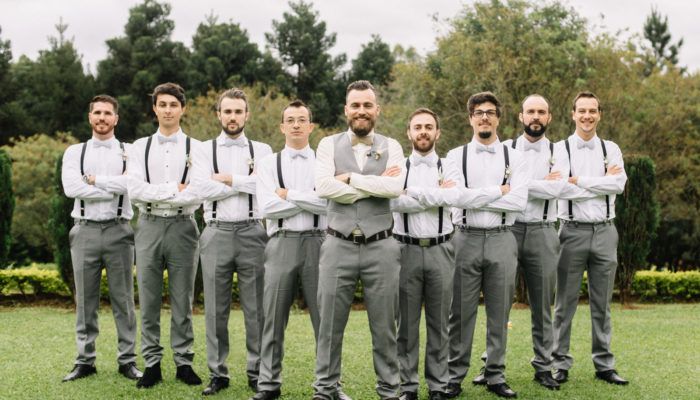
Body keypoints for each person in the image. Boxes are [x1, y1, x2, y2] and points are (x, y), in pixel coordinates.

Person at [392, 108, 501, 400]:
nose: (423, 131)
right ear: (409, 132)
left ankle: (439, 385)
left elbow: (455, 197)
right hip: (405, 249)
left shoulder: (449, 165)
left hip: (442, 249)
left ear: (438, 133)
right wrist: (431, 194)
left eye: (429, 126)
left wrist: (411, 192)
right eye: (418, 127)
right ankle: (408, 387)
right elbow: (391, 201)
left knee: (440, 323)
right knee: (406, 324)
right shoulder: (398, 166)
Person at [313, 80, 405, 400]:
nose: (361, 111)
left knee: (384, 327)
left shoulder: (392, 145)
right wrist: (374, 184)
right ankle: (325, 390)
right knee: (329, 326)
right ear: (346, 110)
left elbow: (395, 189)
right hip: (337, 244)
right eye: (356, 105)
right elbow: (324, 187)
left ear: (377, 110)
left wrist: (351, 178)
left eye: (368, 105)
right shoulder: (327, 144)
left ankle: (389, 391)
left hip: (382, 245)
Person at [445, 92, 528, 399]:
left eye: (490, 112)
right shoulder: (454, 156)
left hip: (502, 239)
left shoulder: (516, 158)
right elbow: (456, 197)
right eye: (478, 112)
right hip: (464, 237)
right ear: (470, 118)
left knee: (499, 311)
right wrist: (498, 192)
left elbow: (518, 202)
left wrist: (477, 196)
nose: (484, 117)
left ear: (498, 117)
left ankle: (495, 374)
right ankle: (454, 376)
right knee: (460, 312)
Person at [189, 88, 272, 396]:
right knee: (214, 308)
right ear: (218, 114)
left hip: (253, 231)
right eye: (228, 111)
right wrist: (242, 183)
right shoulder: (203, 149)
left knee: (256, 309)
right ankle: (218, 373)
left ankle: (257, 372)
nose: (233, 117)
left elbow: (264, 188)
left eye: (238, 111)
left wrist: (227, 179)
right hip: (216, 232)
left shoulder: (262, 150)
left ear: (246, 115)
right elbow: (199, 189)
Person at [250, 100, 327, 400]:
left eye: (302, 119)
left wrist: (289, 195)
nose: (296, 124)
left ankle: (328, 385)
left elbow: (329, 204)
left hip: (319, 242)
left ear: (311, 126)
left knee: (325, 319)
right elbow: (267, 207)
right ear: (282, 126)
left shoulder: (324, 162)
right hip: (280, 242)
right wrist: (308, 198)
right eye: (290, 120)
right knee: (273, 316)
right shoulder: (268, 164)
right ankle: (268, 385)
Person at [60, 94, 141, 382]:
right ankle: (85, 360)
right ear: (90, 117)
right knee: (85, 300)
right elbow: (71, 188)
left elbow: (133, 184)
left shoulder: (130, 151)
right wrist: (113, 188)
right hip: (84, 230)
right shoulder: (74, 152)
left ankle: (128, 360)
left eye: (108, 113)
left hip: (119, 229)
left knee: (124, 300)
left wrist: (94, 182)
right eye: (97, 113)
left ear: (116, 119)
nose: (102, 118)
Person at [127, 82, 202, 388]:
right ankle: (152, 363)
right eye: (163, 104)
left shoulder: (197, 148)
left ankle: (184, 362)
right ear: (154, 108)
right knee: (148, 297)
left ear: (182, 108)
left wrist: (158, 193)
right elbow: (134, 190)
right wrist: (174, 191)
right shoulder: (139, 147)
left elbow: (196, 194)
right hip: (148, 226)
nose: (168, 110)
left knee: (183, 298)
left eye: (173, 104)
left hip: (184, 226)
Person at [551, 91, 628, 386]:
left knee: (602, 304)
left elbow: (619, 185)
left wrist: (581, 181)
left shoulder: (611, 148)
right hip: (571, 231)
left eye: (592, 110)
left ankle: (604, 364)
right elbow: (560, 189)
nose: (587, 116)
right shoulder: (559, 150)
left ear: (599, 114)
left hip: (606, 231)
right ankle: (560, 363)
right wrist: (602, 184)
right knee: (565, 303)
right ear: (572, 114)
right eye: (582, 110)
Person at [497, 94, 564, 390]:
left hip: (543, 231)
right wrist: (541, 186)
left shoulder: (559, 151)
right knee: (499, 302)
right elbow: (496, 189)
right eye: (530, 111)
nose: (535, 116)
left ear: (549, 117)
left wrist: (518, 187)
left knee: (542, 303)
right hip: (507, 230)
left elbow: (559, 189)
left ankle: (543, 366)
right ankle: (492, 364)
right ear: (520, 116)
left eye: (541, 112)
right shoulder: (503, 149)